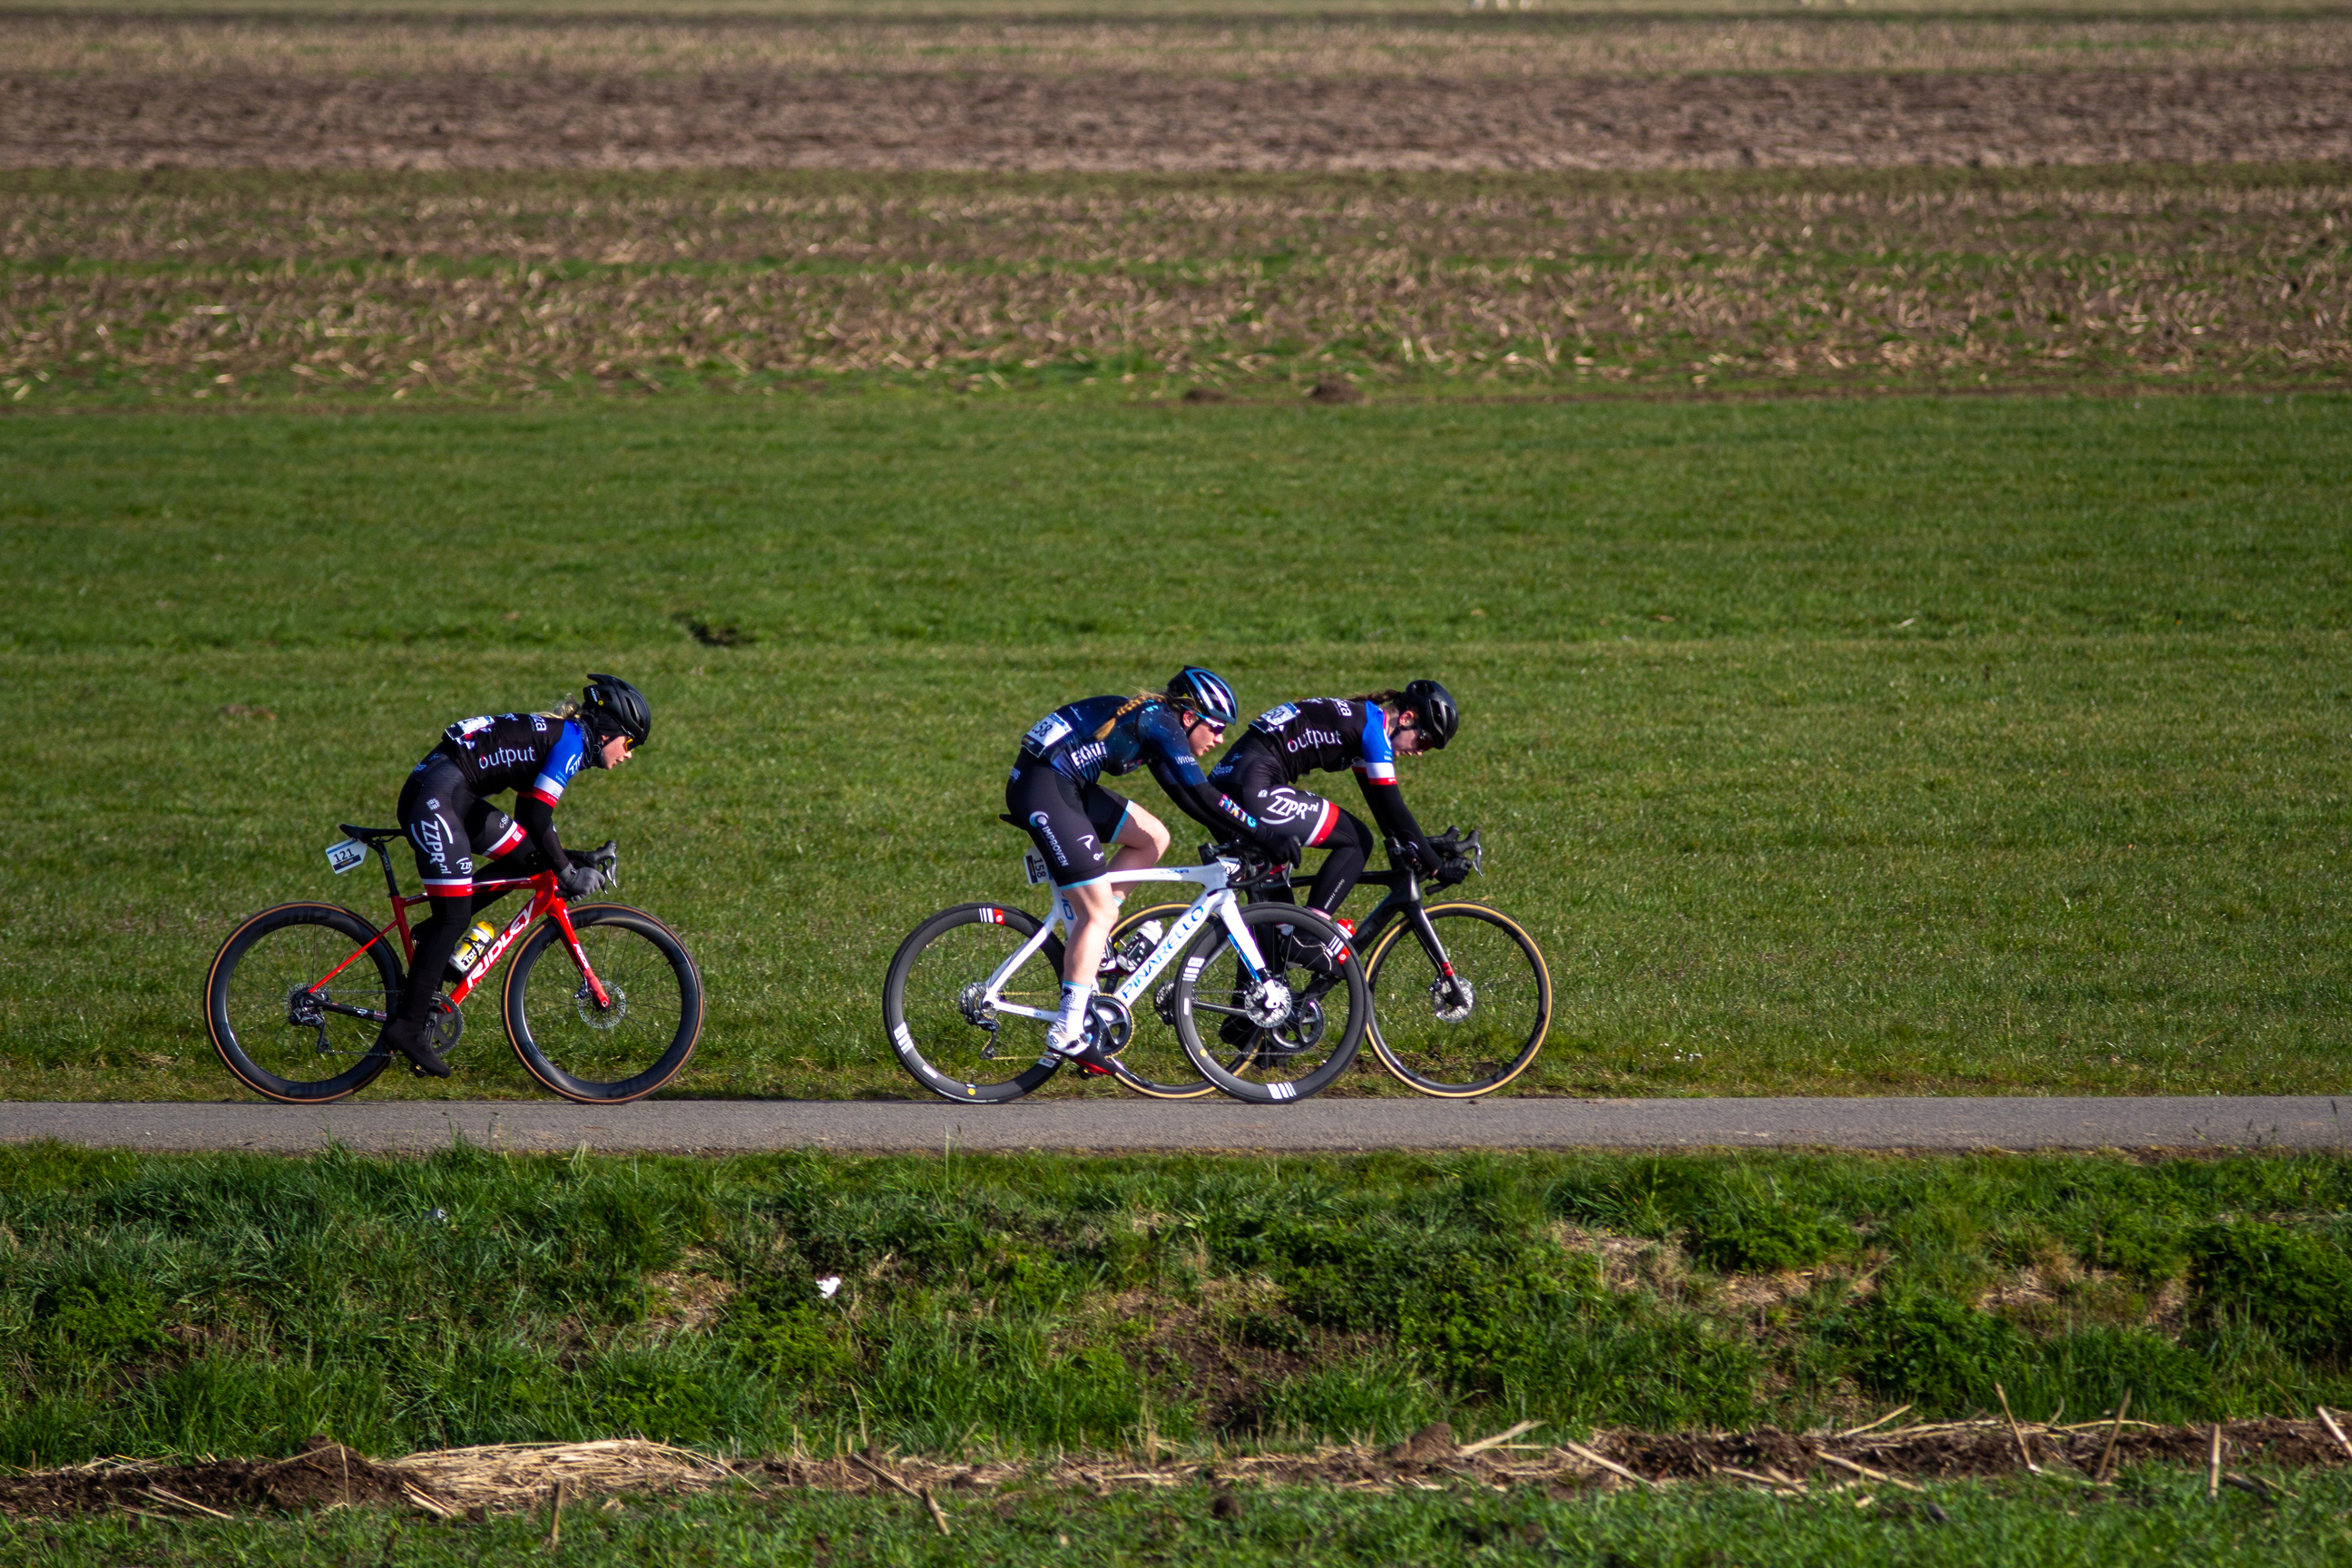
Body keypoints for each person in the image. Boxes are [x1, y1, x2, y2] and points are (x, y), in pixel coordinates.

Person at [1007, 666, 1287, 1073]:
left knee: (1154, 837)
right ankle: (1067, 1030)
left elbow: (1188, 798)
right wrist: (1264, 833)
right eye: (1216, 727)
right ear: (1190, 718)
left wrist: (1239, 836)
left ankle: (1100, 946)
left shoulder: (1157, 723)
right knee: (1096, 912)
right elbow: (1203, 793)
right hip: (1045, 786)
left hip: (1057, 780)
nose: (1221, 738)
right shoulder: (1161, 724)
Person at [382, 674, 651, 1076]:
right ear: (609, 731)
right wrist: (568, 872)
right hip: (437, 798)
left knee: (530, 860)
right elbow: (540, 817)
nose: (627, 754)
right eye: (629, 743)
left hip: (453, 793)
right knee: (453, 917)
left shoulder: (565, 735)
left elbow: (530, 822)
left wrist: (573, 859)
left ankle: (431, 938)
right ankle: (405, 1027)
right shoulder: (573, 743)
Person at [1208, 681, 1471, 939]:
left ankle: (1266, 968)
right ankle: (1311, 933)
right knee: (1356, 839)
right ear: (1405, 718)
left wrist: (1419, 845)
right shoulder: (1374, 733)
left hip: (1227, 784)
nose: (1419, 752)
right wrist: (1438, 867)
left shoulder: (1363, 718)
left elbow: (1379, 805)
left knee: (1277, 925)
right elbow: (1394, 809)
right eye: (1424, 742)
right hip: (1254, 788)